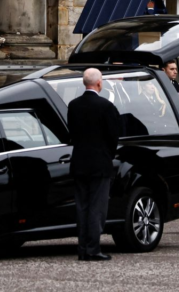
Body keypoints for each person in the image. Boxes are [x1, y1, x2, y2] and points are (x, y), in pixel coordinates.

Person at [67, 68, 121, 262]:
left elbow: (71, 132)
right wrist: (107, 154)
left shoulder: (73, 105)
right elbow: (113, 136)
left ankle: (83, 248)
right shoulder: (106, 106)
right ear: (99, 83)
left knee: (82, 207)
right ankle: (93, 248)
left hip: (80, 161)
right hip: (99, 162)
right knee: (97, 208)